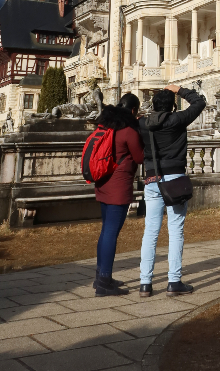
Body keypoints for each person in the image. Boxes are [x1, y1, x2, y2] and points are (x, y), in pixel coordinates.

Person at [138, 83, 206, 297]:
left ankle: (145, 283)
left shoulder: (142, 124)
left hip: (152, 178)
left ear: (153, 107)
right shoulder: (177, 120)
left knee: (150, 231)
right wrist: (179, 90)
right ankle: (173, 281)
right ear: (172, 108)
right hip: (174, 178)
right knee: (175, 230)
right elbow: (199, 102)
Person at [93, 92, 144, 296]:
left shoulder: (107, 125)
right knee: (111, 232)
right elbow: (140, 157)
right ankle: (104, 280)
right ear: (133, 110)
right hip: (119, 186)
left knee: (106, 230)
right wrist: (138, 130)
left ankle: (101, 276)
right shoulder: (128, 130)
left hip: (103, 182)